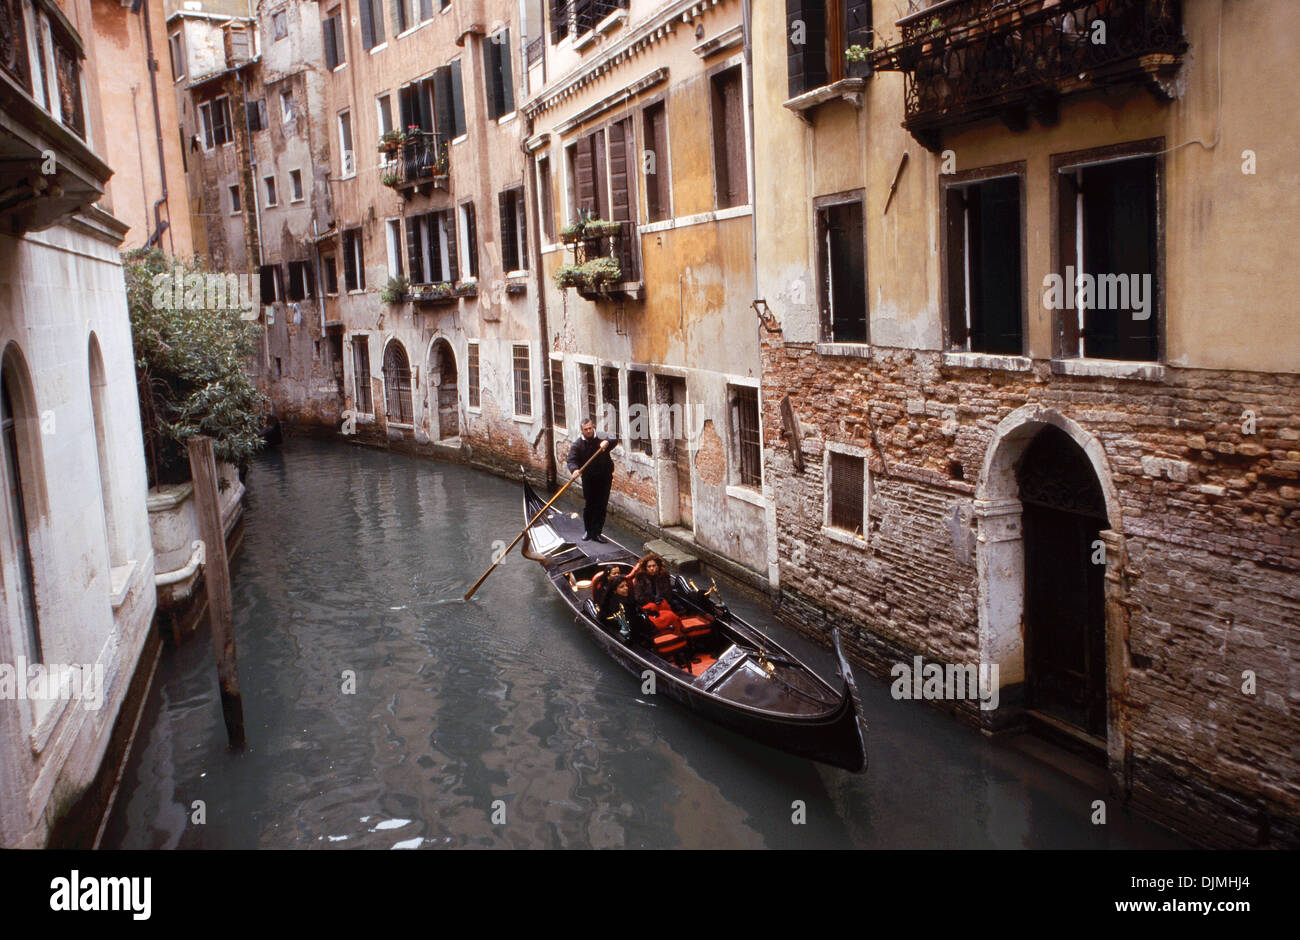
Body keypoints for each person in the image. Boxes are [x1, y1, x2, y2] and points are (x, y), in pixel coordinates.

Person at [567, 418, 618, 542]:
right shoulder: (577, 445)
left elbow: (614, 439)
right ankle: (588, 532)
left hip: (604, 477)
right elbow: (571, 460)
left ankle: (597, 533)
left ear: (593, 426)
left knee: (601, 506)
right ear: (582, 430)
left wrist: (606, 442)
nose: (589, 431)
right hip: (589, 479)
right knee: (590, 505)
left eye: (590, 428)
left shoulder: (601, 436)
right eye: (586, 429)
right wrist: (574, 470)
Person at [630, 552, 684, 635]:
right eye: (649, 566)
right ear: (645, 568)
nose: (652, 568)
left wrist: (661, 599)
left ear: (658, 566)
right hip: (648, 607)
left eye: (654, 566)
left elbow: (668, 594)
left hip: (663, 604)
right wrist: (653, 599)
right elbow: (639, 598)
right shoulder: (640, 578)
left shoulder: (663, 576)